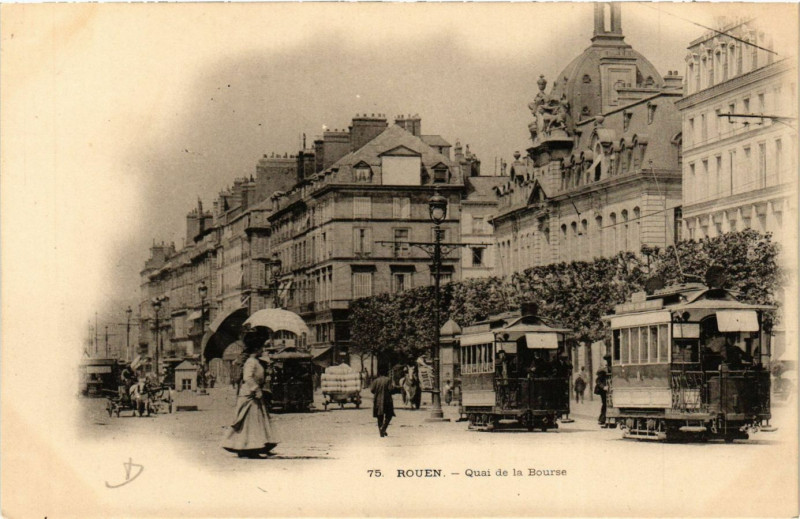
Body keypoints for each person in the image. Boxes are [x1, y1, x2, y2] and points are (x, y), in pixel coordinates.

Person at [222, 330, 278, 458]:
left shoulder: (256, 361)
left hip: (253, 395)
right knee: (251, 423)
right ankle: (250, 448)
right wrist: (256, 389)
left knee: (253, 422)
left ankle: (249, 447)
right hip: (250, 395)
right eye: (262, 347)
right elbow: (248, 377)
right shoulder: (251, 362)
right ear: (257, 348)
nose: (263, 349)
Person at [370, 366, 395, 437]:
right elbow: (391, 389)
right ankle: (383, 428)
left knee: (379, 416)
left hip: (377, 400)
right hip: (387, 400)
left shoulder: (375, 381)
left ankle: (381, 430)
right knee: (389, 415)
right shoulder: (388, 380)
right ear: (386, 373)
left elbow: (372, 390)